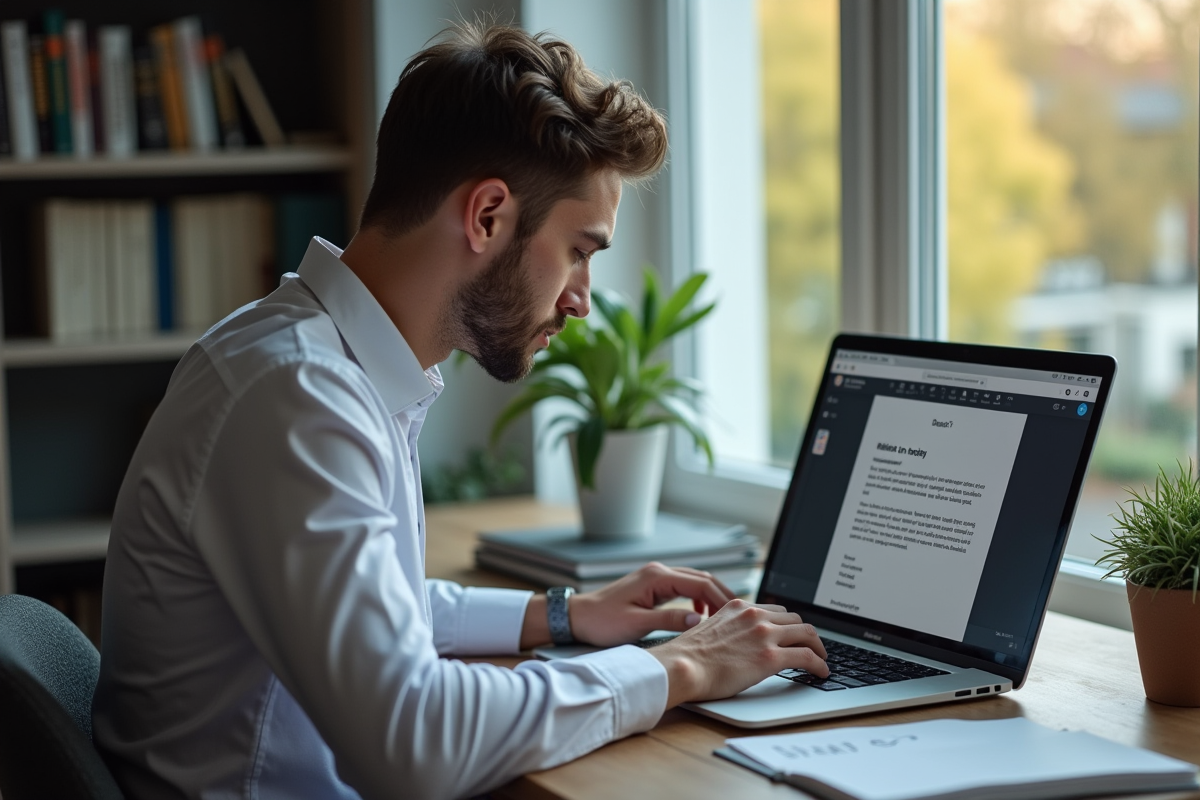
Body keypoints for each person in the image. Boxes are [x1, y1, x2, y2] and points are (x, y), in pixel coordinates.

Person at [93, 21, 829, 800]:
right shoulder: (300, 397)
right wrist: (684, 664)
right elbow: (415, 741)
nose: (582, 299)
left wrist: (567, 614)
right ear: (486, 216)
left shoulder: (320, 359)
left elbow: (379, 605)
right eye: (580, 250)